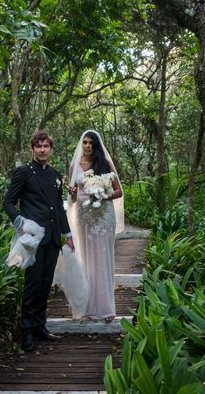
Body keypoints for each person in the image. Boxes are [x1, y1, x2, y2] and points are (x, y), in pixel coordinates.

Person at [4, 131, 74, 351]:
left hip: (53, 237)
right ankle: (26, 333)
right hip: (33, 239)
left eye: (46, 146)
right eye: (39, 146)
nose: (43, 150)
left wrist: (68, 234)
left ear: (50, 149)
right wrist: (21, 223)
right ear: (32, 149)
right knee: (32, 285)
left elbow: (58, 208)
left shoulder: (55, 174)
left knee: (45, 285)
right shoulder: (24, 172)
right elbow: (8, 203)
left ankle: (40, 327)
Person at [67, 130, 123, 323]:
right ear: (81, 144)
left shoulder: (105, 164)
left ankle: (106, 307)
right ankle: (89, 306)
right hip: (85, 216)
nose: (88, 146)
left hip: (103, 216)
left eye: (91, 143)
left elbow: (118, 191)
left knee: (103, 257)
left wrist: (102, 195)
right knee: (88, 258)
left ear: (96, 145)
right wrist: (72, 192)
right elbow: (73, 197)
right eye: (85, 142)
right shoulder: (74, 165)